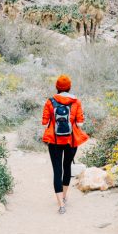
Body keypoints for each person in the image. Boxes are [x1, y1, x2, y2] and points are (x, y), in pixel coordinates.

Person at [41, 75, 89, 214]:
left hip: (54, 140)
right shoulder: (76, 102)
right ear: (69, 87)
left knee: (57, 171)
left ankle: (61, 205)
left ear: (57, 87)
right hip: (71, 140)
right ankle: (65, 196)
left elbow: (44, 123)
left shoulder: (50, 102)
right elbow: (79, 123)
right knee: (66, 167)